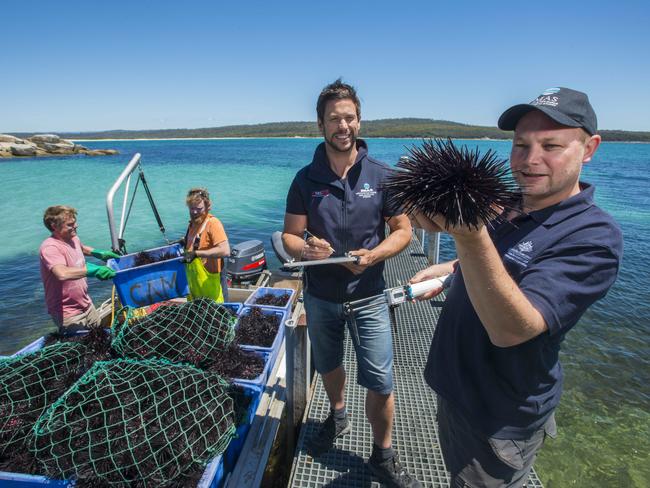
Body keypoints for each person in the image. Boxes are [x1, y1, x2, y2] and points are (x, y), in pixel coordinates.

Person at [409, 87, 623, 487]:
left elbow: (513, 329)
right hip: (454, 388)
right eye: (521, 145)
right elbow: (501, 260)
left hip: (498, 418)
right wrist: (452, 267)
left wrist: (468, 236)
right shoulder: (508, 203)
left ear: (589, 148)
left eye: (551, 145)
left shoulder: (594, 237)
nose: (529, 160)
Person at [282, 79, 419, 487]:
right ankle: (337, 414)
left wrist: (376, 255)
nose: (343, 126)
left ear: (359, 120)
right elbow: (290, 235)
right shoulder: (305, 179)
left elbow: (404, 230)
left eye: (349, 117)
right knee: (327, 363)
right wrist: (306, 248)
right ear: (320, 124)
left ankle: (383, 455)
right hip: (321, 295)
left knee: (381, 379)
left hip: (370, 296)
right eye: (334, 119)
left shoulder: (383, 175)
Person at [39, 205, 118, 332]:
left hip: (86, 304)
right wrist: (94, 271)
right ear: (54, 226)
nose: (76, 226)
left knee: (100, 338)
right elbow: (62, 273)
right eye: (70, 224)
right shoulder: (50, 248)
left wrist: (99, 253)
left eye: (75, 222)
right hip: (68, 312)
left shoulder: (73, 238)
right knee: (81, 347)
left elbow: (81, 248)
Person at [183, 187, 230, 302]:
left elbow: (225, 250)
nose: (194, 212)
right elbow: (194, 243)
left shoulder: (213, 223)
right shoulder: (192, 224)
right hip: (195, 289)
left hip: (212, 287)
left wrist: (197, 253)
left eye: (199, 209)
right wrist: (183, 243)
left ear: (208, 206)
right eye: (191, 208)